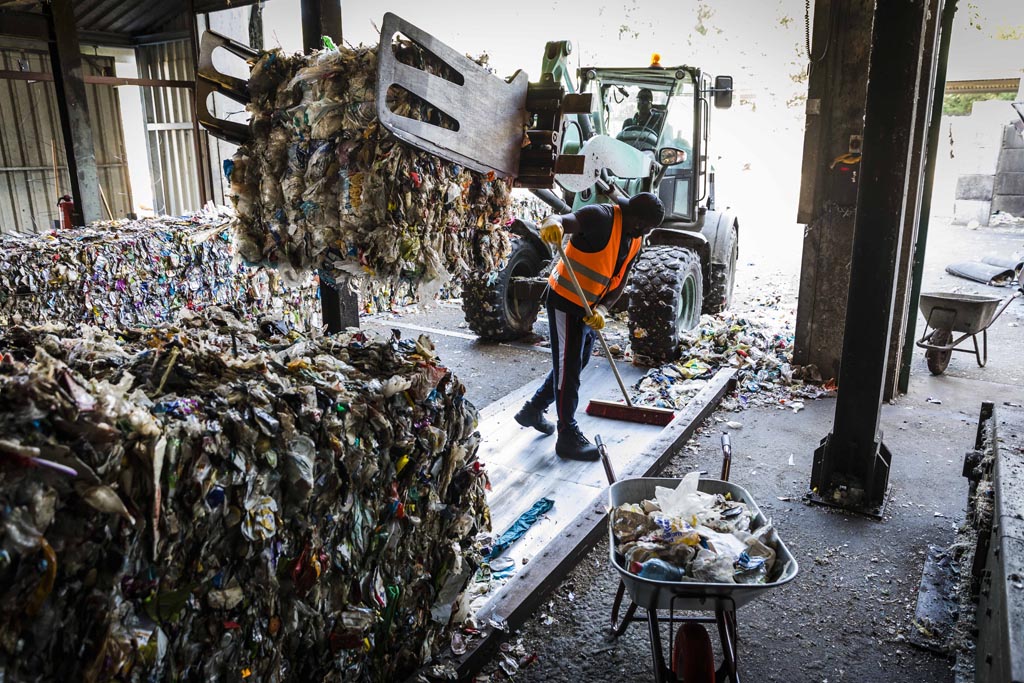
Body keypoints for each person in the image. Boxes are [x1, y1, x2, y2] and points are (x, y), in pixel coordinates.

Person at [513, 193, 666, 460]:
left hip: (588, 307)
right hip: (565, 301)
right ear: (640, 222)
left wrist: (604, 309)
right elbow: (561, 219)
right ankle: (567, 436)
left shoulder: (635, 238)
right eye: (648, 228)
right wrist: (553, 223)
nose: (646, 232)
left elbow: (620, 279)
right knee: (568, 368)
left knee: (578, 361)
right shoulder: (600, 217)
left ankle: (533, 409)